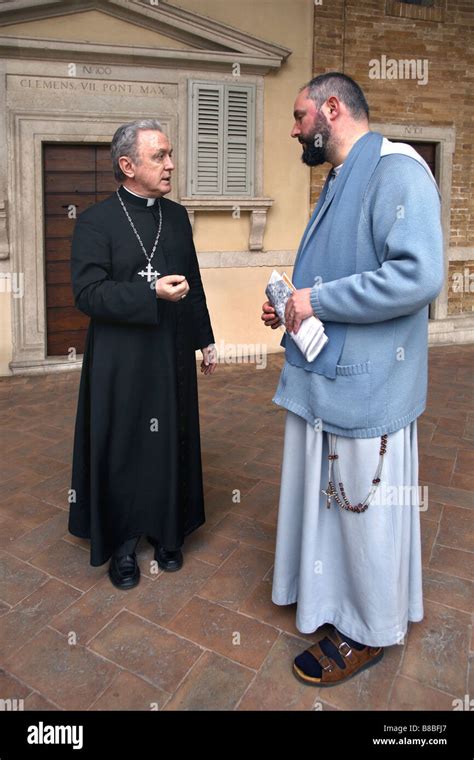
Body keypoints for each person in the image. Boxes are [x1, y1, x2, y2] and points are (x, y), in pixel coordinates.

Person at [261, 73, 444, 686]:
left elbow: (417, 277)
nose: (293, 129)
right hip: (326, 375)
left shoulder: (399, 170)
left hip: (367, 385)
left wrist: (318, 301)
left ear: (331, 108)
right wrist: (291, 305)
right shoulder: (342, 176)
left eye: (298, 115)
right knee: (335, 508)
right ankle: (331, 603)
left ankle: (367, 629)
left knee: (361, 511)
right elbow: (335, 273)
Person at [69, 119, 216, 590]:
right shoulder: (95, 221)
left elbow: (192, 283)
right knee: (126, 448)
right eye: (160, 156)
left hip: (170, 352)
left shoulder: (176, 217)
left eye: (170, 154)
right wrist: (149, 291)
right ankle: (124, 543)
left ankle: (168, 531)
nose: (171, 164)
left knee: (169, 439)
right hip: (120, 361)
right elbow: (88, 294)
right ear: (127, 165)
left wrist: (205, 338)